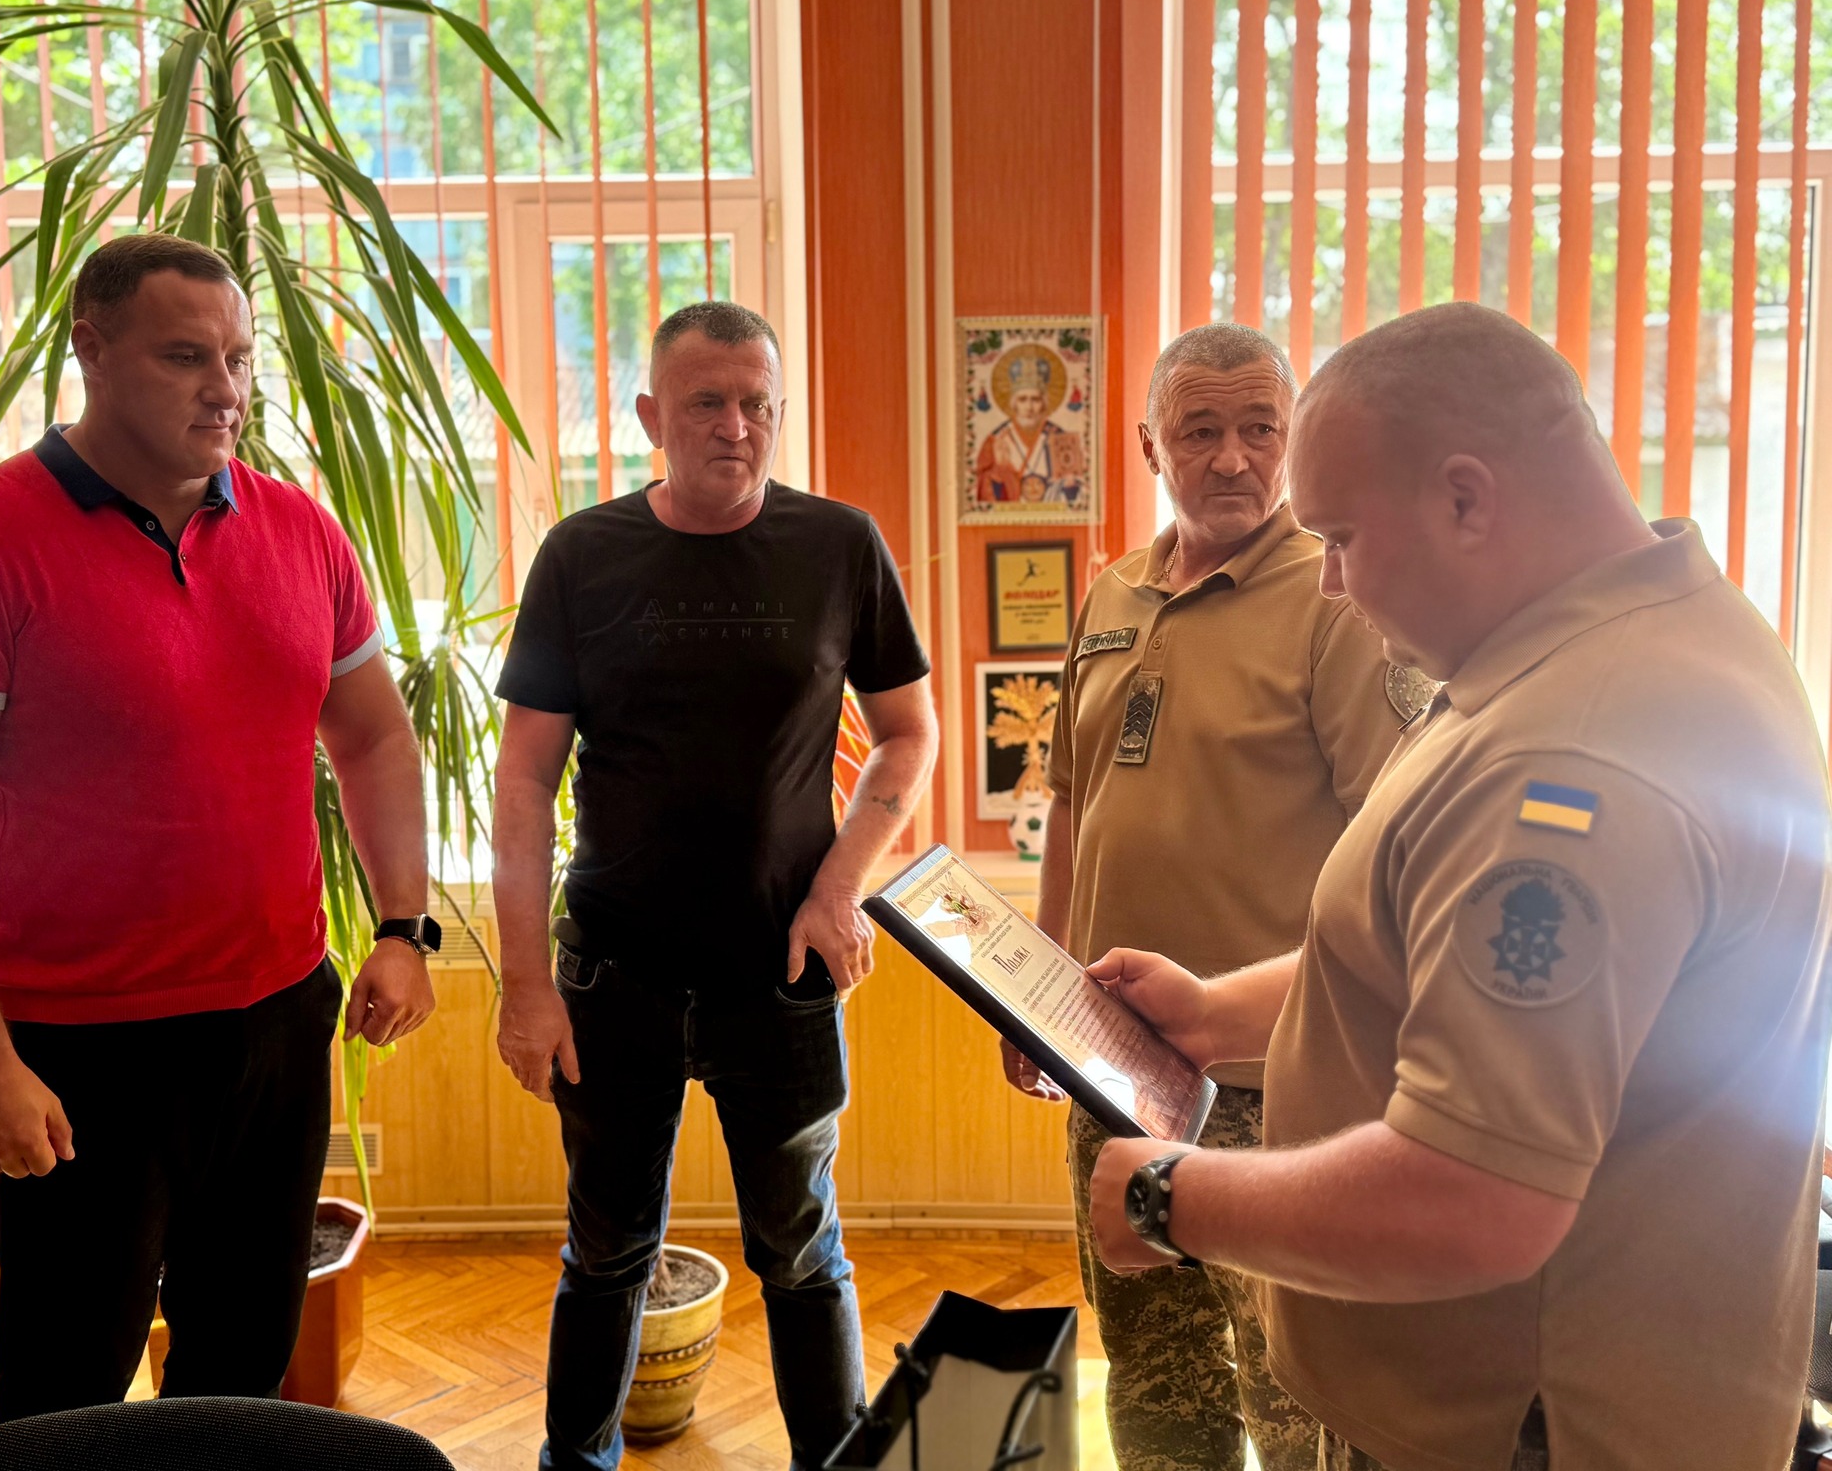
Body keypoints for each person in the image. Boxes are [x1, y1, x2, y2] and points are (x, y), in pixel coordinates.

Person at [1085, 304, 1832, 1470]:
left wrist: (1170, 1199)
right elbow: (1430, 937)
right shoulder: (1617, 632)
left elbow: (1472, 1198)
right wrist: (1217, 1011)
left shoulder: (1572, 756)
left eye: (1340, 537)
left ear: (1465, 500)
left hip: (1529, 1427)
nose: (1330, 583)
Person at [0, 234, 438, 1420]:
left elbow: (375, 736)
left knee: (245, 1369)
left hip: (277, 1023)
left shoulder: (302, 531)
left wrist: (402, 927)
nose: (225, 388)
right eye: (185, 357)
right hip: (80, 1056)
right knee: (66, 1392)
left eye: (239, 357)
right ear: (92, 349)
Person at [491, 300, 938, 1471]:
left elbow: (908, 732)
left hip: (778, 978)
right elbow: (524, 780)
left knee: (800, 1251)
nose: (734, 426)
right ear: (651, 415)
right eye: (705, 402)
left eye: (756, 404)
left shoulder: (838, 546)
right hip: (613, 975)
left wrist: (839, 888)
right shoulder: (580, 555)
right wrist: (524, 987)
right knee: (605, 1254)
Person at [1002, 323, 1408, 1471]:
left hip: (1277, 1090)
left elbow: (1395, 846)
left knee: (1296, 1396)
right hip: (1113, 1070)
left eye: (1258, 428)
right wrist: (1033, 992)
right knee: (1149, 1381)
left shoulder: (1336, 596)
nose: (1232, 457)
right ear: (1149, 446)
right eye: (1199, 431)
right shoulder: (1110, 592)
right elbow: (1071, 805)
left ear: (1292, 438)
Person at [975, 344, 1081, 502]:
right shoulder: (995, 440)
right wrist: (1000, 471)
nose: (1029, 407)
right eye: (1022, 399)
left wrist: (1070, 485)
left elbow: (1076, 497)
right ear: (1014, 404)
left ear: (1044, 403)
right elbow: (982, 492)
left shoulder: (1060, 437)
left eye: (1035, 399)